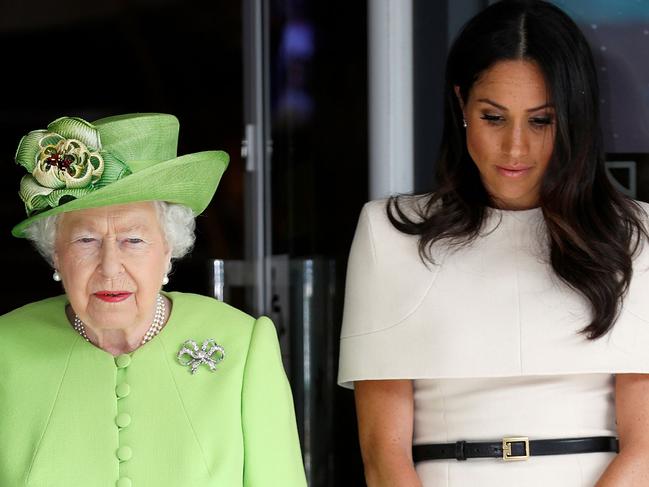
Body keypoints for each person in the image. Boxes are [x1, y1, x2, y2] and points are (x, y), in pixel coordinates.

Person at [338, 1, 649, 485]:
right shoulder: (390, 233)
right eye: (494, 117)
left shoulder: (634, 236)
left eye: (541, 121)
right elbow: (384, 454)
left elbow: (645, 449)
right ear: (462, 105)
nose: (516, 148)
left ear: (574, 118)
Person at [0, 113, 307, 487]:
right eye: (85, 241)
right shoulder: (6, 348)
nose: (110, 267)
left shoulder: (243, 346)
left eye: (133, 240)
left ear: (168, 250)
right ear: (56, 256)